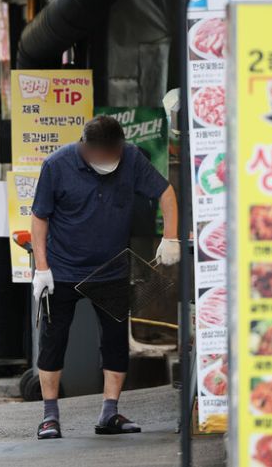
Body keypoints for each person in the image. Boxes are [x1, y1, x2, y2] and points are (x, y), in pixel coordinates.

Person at [30, 115, 180, 440]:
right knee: (54, 341)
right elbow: (40, 217)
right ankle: (50, 416)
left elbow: (166, 193)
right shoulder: (56, 166)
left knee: (114, 342)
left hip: (111, 269)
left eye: (113, 155)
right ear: (85, 148)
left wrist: (170, 237)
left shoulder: (132, 159)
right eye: (100, 156)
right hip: (63, 270)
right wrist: (42, 268)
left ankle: (109, 412)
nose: (107, 161)